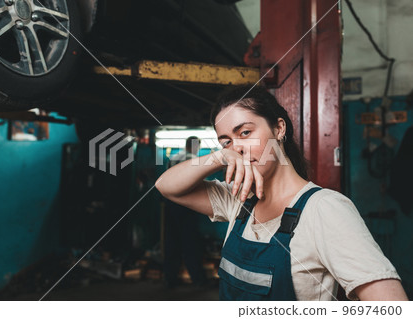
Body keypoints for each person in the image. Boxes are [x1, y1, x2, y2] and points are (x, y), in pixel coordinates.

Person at [156, 85, 408, 301]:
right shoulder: (238, 202)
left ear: (278, 129)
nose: (237, 148)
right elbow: (166, 186)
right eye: (227, 141)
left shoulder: (325, 210)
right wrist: (220, 155)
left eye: (245, 133)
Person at [163, 136, 207, 288]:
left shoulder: (174, 157)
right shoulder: (192, 159)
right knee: (190, 243)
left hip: (171, 204)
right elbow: (195, 183)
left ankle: (170, 279)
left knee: (171, 242)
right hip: (187, 204)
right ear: (195, 146)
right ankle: (198, 280)